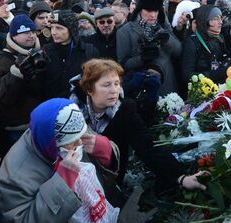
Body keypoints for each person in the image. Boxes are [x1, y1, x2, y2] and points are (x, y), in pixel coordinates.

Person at [0, 98, 119, 223]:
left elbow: (100, 179)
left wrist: (107, 150)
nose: (80, 143)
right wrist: (62, 185)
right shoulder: (15, 174)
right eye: (73, 141)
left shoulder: (72, 126)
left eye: (81, 135)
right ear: (52, 144)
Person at [70, 59, 207, 193]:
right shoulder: (69, 110)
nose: (114, 90)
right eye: (106, 85)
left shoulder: (124, 109)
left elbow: (147, 145)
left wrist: (180, 177)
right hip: (74, 184)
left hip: (108, 184)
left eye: (117, 83)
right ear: (89, 89)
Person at [0, 15, 46, 143]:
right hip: (18, 127)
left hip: (40, 120)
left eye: (33, 32)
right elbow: (1, 98)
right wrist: (16, 74)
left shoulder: (40, 54)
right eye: (25, 33)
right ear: (13, 36)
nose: (31, 35)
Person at [117, 0, 182, 95]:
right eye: (148, 11)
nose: (152, 15)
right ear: (140, 10)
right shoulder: (124, 31)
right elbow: (122, 65)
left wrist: (167, 39)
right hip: (141, 90)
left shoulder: (163, 26)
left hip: (168, 87)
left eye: (155, 11)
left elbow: (179, 51)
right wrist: (142, 58)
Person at [41, 10, 98, 99]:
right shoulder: (46, 50)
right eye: (52, 27)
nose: (53, 32)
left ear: (71, 29)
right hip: (52, 105)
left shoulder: (89, 51)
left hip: (78, 105)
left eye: (59, 28)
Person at [181, 5, 229, 84]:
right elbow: (187, 76)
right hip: (200, 91)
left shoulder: (219, 38)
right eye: (215, 19)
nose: (220, 22)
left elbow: (224, 59)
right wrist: (214, 75)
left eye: (220, 18)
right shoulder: (192, 42)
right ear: (204, 21)